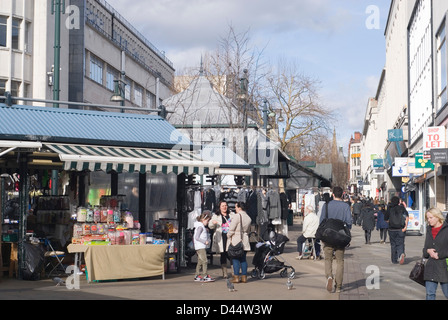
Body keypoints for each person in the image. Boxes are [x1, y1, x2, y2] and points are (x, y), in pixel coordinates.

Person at [319, 186, 352, 293]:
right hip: (340, 236)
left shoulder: (327, 205)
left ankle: (329, 276)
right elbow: (349, 222)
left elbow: (321, 221)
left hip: (328, 235)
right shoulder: (346, 206)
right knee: (340, 261)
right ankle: (338, 286)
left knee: (328, 259)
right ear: (342, 194)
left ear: (333, 194)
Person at [422, 208, 448, 300]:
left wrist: (439, 254)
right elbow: (425, 250)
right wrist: (428, 251)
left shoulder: (446, 229)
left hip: (444, 267)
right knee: (430, 294)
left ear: (438, 217)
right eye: (427, 218)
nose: (428, 220)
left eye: (431, 217)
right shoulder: (429, 230)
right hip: (431, 267)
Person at [227, 202, 252, 283]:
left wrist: (228, 235)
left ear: (239, 208)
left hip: (236, 239)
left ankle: (236, 277)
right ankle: (244, 277)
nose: (235, 209)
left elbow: (231, 229)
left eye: (236, 207)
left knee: (235, 259)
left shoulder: (237, 216)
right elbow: (248, 230)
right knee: (243, 259)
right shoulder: (248, 217)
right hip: (245, 239)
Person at [209, 200, 234, 278]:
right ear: (219, 207)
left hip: (230, 237)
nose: (224, 207)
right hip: (221, 237)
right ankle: (225, 272)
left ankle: (234, 271)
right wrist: (213, 223)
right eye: (222, 206)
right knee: (223, 254)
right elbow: (210, 226)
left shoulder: (231, 214)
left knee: (231, 254)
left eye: (226, 205)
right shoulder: (216, 216)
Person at [384, 196, 409, 264]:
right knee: (400, 243)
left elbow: (385, 219)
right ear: (398, 201)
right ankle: (401, 254)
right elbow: (406, 217)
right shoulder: (402, 208)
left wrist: (390, 221)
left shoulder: (389, 208)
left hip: (391, 229)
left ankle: (394, 260)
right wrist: (405, 227)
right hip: (401, 228)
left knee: (393, 244)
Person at [193, 211, 215, 282]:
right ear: (203, 220)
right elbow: (197, 237)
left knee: (200, 261)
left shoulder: (200, 226)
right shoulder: (200, 227)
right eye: (207, 221)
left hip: (199, 246)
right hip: (201, 246)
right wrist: (204, 241)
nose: (208, 222)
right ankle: (205, 275)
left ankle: (197, 275)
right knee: (204, 260)